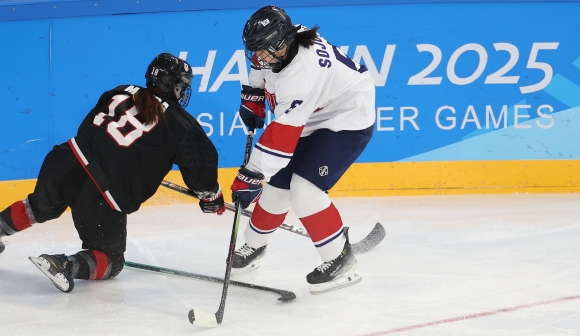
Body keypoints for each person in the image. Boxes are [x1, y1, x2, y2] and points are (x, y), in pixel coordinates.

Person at [0, 52, 225, 293]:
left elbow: (88, 128)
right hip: (101, 192)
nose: (183, 92)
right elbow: (202, 171)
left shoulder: (120, 91)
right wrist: (211, 197)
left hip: (66, 160)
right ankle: (64, 264)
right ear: (174, 85)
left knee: (39, 206)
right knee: (111, 260)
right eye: (182, 86)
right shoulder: (182, 123)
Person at [230, 6, 375, 294]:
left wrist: (252, 174)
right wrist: (255, 93)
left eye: (267, 50)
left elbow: (280, 137)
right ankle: (255, 246)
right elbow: (261, 64)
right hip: (313, 112)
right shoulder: (282, 41)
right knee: (276, 187)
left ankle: (340, 259)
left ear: (283, 41)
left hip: (346, 118)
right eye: (257, 50)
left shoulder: (302, 76)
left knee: (304, 190)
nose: (261, 57)